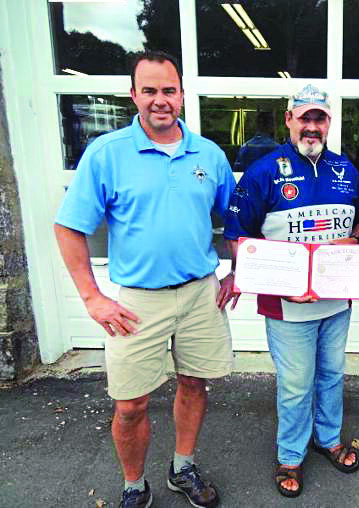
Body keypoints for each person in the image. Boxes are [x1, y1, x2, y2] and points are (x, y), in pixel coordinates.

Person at [54, 50, 235, 508]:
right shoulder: (107, 154)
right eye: (149, 90)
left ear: (182, 95)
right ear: (133, 95)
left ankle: (183, 466)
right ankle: (135, 484)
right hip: (138, 302)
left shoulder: (208, 155)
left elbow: (237, 220)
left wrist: (239, 269)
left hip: (200, 295)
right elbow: (69, 227)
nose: (160, 100)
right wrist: (92, 298)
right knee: (130, 405)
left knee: (195, 383)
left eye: (168, 90)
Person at [221, 84, 359, 498]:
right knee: (295, 382)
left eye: (319, 118)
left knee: (331, 374)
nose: (311, 126)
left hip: (337, 299)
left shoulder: (345, 170)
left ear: (329, 123)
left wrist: (357, 239)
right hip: (285, 304)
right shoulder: (263, 171)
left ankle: (328, 439)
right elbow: (238, 235)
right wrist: (264, 280)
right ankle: (290, 453)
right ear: (289, 120)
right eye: (303, 117)